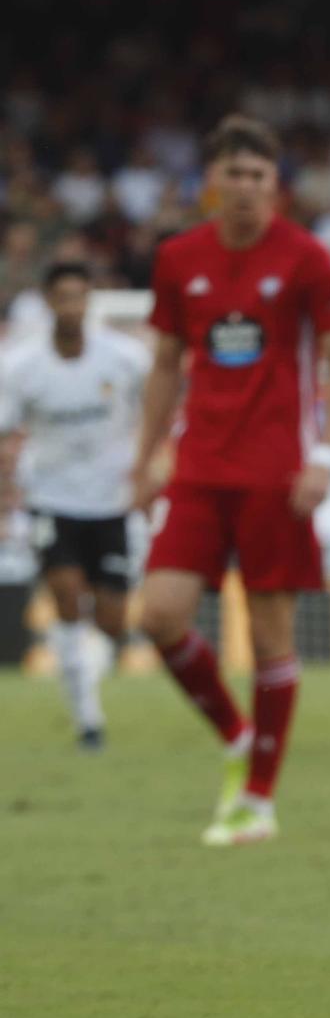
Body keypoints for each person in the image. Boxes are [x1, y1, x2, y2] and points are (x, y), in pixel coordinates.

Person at [131, 116, 330, 846]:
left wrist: (325, 458)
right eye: (232, 174)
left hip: (275, 474)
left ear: (276, 186)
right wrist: (144, 460)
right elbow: (166, 365)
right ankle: (238, 737)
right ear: (212, 182)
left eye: (258, 176)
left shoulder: (305, 258)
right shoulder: (178, 258)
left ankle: (257, 798)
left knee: (270, 640)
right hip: (198, 467)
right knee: (159, 616)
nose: (244, 188)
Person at [0, 263, 149, 747]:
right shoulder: (20, 367)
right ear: (48, 302)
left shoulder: (125, 358)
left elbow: (160, 410)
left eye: (80, 297)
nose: (72, 307)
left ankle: (89, 677)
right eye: (63, 297)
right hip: (51, 500)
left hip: (112, 502)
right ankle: (88, 718)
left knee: (110, 620)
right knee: (66, 597)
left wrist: (151, 469)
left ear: (91, 302)